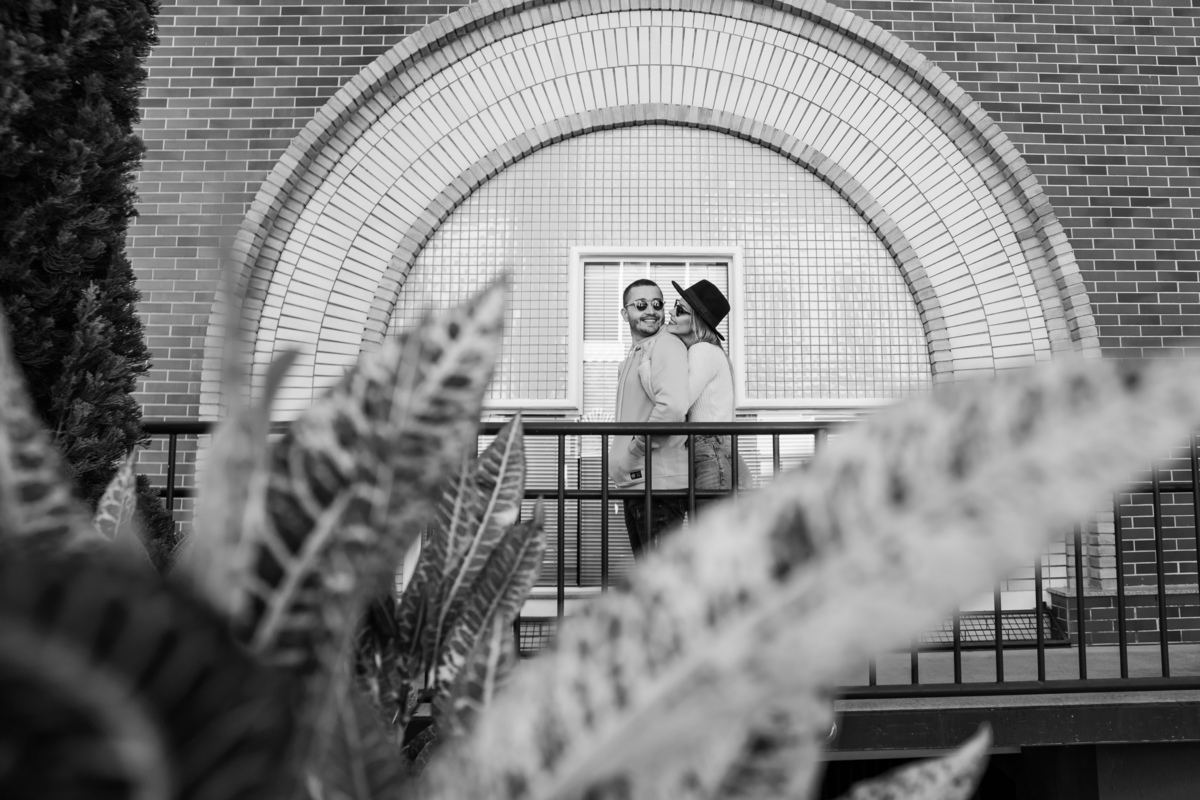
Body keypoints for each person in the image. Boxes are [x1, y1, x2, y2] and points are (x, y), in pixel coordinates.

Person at [610, 278, 690, 557]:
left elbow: (673, 408)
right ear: (625, 313)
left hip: (657, 487)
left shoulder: (666, 345)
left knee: (660, 578)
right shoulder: (634, 356)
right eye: (641, 304)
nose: (651, 311)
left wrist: (635, 450)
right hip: (637, 485)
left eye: (657, 304)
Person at [666, 279, 747, 503]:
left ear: (696, 322)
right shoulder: (709, 351)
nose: (671, 312)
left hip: (712, 451)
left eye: (680, 310)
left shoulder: (702, 350)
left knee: (709, 525)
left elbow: (680, 401)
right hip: (715, 451)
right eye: (675, 305)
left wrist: (645, 369)